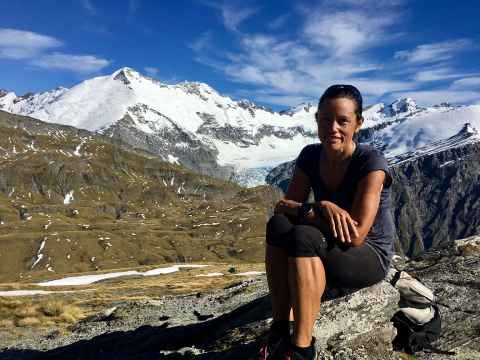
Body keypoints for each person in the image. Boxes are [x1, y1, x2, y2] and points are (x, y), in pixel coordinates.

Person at [258, 84, 395, 360]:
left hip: (368, 254)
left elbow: (356, 234)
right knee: (278, 227)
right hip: (329, 243)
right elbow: (284, 210)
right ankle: (280, 326)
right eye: (325, 119)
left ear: (358, 123)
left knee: (302, 237)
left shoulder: (371, 163)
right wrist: (319, 207)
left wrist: (308, 214)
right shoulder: (310, 156)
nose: (333, 127)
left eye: (343, 120)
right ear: (317, 121)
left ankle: (302, 347)